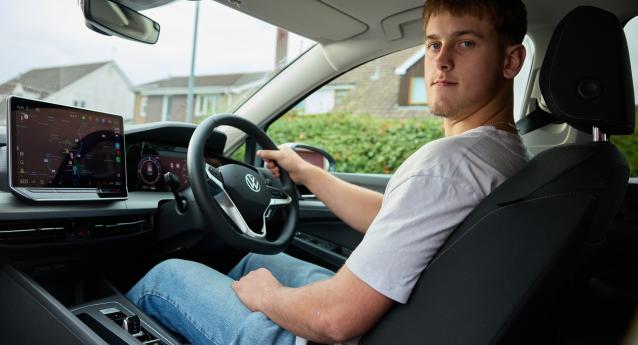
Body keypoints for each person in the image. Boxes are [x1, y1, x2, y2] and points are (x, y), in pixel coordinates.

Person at [126, 0, 530, 344]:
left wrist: (268, 297)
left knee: (167, 277)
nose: (442, 59)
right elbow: (393, 216)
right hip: (408, 324)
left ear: (510, 61)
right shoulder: (501, 155)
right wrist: (305, 172)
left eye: (466, 42)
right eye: (433, 44)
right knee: (252, 262)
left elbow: (333, 319)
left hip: (347, 333)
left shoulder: (447, 165)